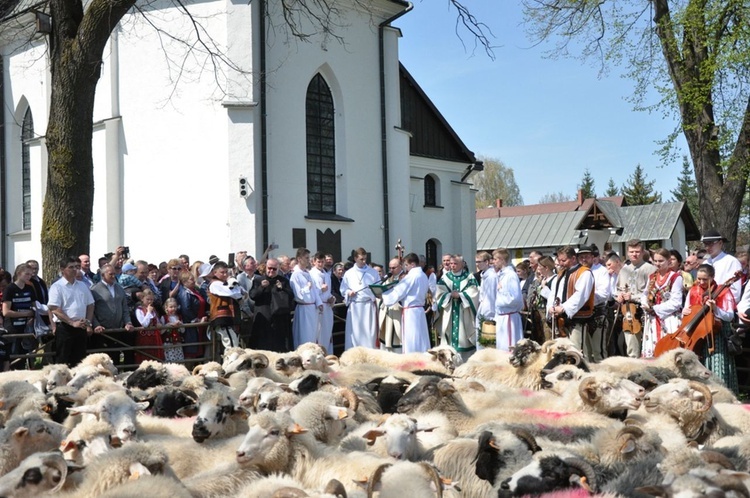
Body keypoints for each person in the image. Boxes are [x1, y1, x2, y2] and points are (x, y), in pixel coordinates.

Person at [685, 264, 738, 394]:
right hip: (698, 333)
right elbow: (686, 309)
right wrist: (685, 311)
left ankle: (722, 394)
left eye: (705, 279)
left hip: (717, 334)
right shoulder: (693, 290)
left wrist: (715, 309)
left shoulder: (723, 291)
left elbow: (729, 315)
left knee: (718, 364)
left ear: (712, 277)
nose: (701, 282)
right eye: (699, 279)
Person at [547, 246, 595, 356]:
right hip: (561, 319)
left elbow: (581, 295)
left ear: (573, 258)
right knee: (563, 350)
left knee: (577, 349)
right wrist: (551, 306)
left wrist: (564, 307)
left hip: (578, 317)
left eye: (564, 260)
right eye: (559, 260)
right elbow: (553, 292)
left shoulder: (584, 273)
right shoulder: (561, 274)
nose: (561, 263)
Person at [48, 256, 95, 367]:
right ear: (62, 269)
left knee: (80, 360)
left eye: (76, 267)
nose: (75, 270)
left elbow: (90, 304)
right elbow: (54, 308)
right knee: (62, 361)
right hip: (65, 327)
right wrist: (71, 322)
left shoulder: (82, 285)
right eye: (71, 267)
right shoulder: (57, 287)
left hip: (81, 326)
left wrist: (87, 322)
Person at [381, 252, 430, 353]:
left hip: (411, 312)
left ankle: (412, 359)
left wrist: (384, 295)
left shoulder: (411, 276)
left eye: (406, 265)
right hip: (420, 310)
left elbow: (399, 291)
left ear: (413, 264)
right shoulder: (423, 275)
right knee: (421, 337)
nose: (405, 268)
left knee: (411, 338)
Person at [614, 239, 656, 358]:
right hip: (628, 312)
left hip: (644, 311)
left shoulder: (650, 269)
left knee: (647, 346)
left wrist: (633, 297)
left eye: (637, 251)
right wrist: (620, 295)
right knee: (630, 345)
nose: (634, 254)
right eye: (632, 252)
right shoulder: (624, 270)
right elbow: (618, 288)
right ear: (628, 253)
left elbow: (652, 292)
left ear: (642, 252)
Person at [640, 248, 683, 358]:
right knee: (652, 347)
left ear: (669, 261)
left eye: (661, 261)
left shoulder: (675, 277)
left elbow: (676, 302)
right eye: (655, 261)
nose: (657, 264)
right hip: (653, 319)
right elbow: (645, 294)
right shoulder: (653, 277)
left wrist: (656, 308)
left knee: (668, 348)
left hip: (669, 318)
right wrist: (645, 303)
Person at [435, 254, 479, 361]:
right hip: (449, 311)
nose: (452, 266)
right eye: (451, 263)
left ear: (462, 264)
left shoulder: (469, 277)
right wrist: (449, 295)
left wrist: (461, 295)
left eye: (455, 263)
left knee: (464, 339)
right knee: (449, 340)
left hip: (464, 312)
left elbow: (474, 292)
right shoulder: (445, 277)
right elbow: (439, 293)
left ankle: (466, 362)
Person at [90, 263, 134, 367]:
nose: (113, 276)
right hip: (103, 331)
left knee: (117, 357)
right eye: (110, 274)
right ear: (103, 275)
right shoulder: (95, 290)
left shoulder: (119, 288)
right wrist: (96, 324)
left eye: (114, 274)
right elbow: (91, 309)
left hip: (118, 328)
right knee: (104, 359)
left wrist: (128, 322)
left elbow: (124, 308)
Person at [249, 258, 295, 352]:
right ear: (266, 267)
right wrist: (262, 287)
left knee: (281, 347)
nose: (271, 271)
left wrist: (282, 288)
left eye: (274, 269)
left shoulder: (283, 281)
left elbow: (291, 296)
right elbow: (252, 296)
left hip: (280, 319)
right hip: (264, 319)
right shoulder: (258, 280)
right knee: (263, 346)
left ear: (278, 269)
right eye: (269, 268)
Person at [340, 247, 380, 350]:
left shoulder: (373, 272)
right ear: (355, 258)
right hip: (355, 307)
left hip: (368, 307)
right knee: (355, 333)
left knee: (369, 333)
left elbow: (378, 288)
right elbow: (343, 289)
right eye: (361, 259)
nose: (364, 261)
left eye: (365, 259)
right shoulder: (349, 273)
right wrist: (349, 292)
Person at [576, 245, 609, 362]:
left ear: (592, 257)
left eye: (586, 257)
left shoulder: (601, 271)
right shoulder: (577, 272)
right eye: (581, 257)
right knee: (585, 351)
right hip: (581, 314)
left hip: (597, 313)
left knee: (598, 350)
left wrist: (587, 299)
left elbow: (605, 294)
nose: (584, 259)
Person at [2, 263, 37, 369]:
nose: (29, 276)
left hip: (27, 328)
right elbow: (6, 312)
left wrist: (33, 315)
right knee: (13, 356)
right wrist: (25, 313)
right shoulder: (10, 289)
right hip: (13, 327)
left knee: (26, 355)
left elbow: (35, 306)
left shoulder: (30, 288)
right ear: (19, 273)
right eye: (26, 274)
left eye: (30, 274)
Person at [290, 248, 323, 348]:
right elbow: (298, 295)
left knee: (313, 336)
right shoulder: (295, 275)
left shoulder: (308, 273)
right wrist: (307, 288)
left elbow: (315, 291)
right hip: (303, 309)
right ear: (299, 259)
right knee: (304, 336)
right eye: (307, 258)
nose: (309, 260)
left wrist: (319, 303)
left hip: (312, 309)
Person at [491, 248, 523, 352]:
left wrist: (499, 301)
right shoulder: (502, 275)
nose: (493, 262)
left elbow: (515, 298)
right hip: (502, 316)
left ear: (502, 260)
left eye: (495, 259)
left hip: (509, 317)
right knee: (501, 348)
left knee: (509, 348)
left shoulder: (511, 275)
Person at [208, 261, 244, 351]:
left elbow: (243, 292)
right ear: (214, 272)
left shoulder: (226, 283)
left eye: (226, 272)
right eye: (222, 272)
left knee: (234, 343)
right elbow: (232, 293)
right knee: (231, 345)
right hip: (222, 317)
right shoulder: (215, 284)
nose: (225, 275)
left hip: (231, 317)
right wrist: (237, 290)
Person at [702, 229, 743, 302]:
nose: (708, 247)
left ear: (720, 243)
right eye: (706, 244)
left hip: (723, 306)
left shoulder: (731, 261)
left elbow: (735, 292)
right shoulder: (705, 263)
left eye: (711, 244)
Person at [178, 271, 208, 360]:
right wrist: (196, 320)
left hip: (199, 323)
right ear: (184, 282)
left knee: (198, 349)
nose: (194, 281)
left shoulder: (194, 290)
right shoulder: (185, 293)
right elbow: (186, 309)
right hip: (191, 326)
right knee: (191, 351)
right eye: (191, 280)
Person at [310, 252, 335, 352]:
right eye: (319, 262)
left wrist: (331, 298)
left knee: (327, 332)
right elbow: (312, 292)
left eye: (322, 262)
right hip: (318, 306)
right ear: (314, 262)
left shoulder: (327, 275)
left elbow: (329, 292)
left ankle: (328, 353)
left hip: (327, 306)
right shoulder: (311, 274)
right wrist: (321, 290)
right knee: (318, 333)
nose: (321, 264)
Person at [378, 257, 404, 352]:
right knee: (388, 335)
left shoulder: (405, 278)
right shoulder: (388, 278)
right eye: (390, 268)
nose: (391, 270)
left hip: (399, 310)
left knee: (398, 335)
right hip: (389, 310)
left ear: (400, 266)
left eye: (394, 268)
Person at [133, 289, 164, 363]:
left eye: (151, 299)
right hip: (144, 338)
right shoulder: (139, 310)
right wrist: (149, 312)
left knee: (156, 358)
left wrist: (159, 324)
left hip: (154, 338)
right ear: (142, 299)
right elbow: (144, 324)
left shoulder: (154, 310)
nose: (150, 301)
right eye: (147, 299)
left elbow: (157, 322)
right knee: (145, 357)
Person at [474, 251, 497, 339]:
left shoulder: (491, 276)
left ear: (487, 262)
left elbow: (491, 297)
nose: (477, 264)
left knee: (488, 338)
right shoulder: (484, 275)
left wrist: (490, 316)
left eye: (479, 262)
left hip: (489, 312)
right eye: (476, 262)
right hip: (482, 308)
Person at [162, 298, 185, 362]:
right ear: (166, 308)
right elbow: (161, 332)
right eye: (171, 307)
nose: (173, 309)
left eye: (175, 307)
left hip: (177, 343)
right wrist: (167, 325)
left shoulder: (179, 317)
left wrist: (181, 325)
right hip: (168, 343)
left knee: (179, 360)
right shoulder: (164, 317)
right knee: (170, 361)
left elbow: (183, 331)